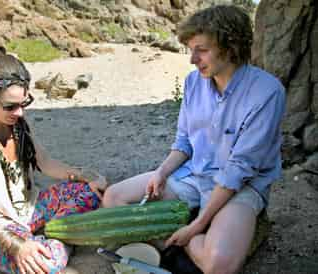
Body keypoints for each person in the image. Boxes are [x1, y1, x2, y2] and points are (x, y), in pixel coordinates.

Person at [102, 5, 285, 274]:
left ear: (229, 46)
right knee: (114, 199)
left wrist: (196, 226)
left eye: (201, 50)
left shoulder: (267, 92)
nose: (192, 59)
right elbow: (184, 142)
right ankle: (184, 236)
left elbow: (238, 170)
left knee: (219, 266)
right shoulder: (193, 83)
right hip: (192, 176)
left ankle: (180, 238)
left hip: (242, 186)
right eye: (191, 50)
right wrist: (162, 173)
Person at [0, 46, 106, 274]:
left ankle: (53, 237)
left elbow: (45, 163)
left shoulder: (18, 123)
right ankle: (60, 239)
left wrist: (84, 176)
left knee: (90, 192)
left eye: (24, 103)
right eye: (10, 106)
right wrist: (17, 246)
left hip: (27, 211)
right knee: (48, 265)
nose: (19, 112)